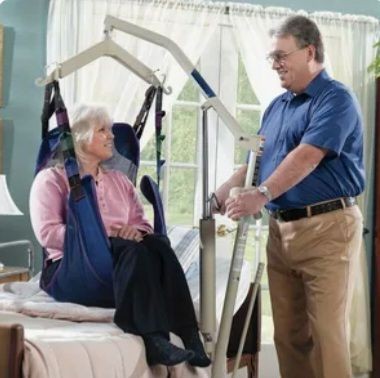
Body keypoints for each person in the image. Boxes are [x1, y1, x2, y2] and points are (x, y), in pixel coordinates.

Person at [214, 15, 364, 378]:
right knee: (288, 335)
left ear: (309, 51)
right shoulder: (277, 106)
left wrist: (262, 194)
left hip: (327, 229)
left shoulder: (335, 99)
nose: (275, 65)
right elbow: (257, 160)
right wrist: (215, 198)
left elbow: (307, 157)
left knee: (327, 334)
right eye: (272, 58)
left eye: (281, 56)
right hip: (282, 232)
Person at [29, 103, 211, 368]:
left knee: (157, 245)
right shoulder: (51, 180)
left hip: (120, 270)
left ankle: (189, 335)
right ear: (79, 137)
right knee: (131, 250)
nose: (112, 136)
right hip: (71, 271)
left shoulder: (120, 182)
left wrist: (134, 232)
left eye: (111, 130)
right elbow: (48, 234)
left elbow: (142, 225)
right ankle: (152, 338)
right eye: (103, 130)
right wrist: (103, 237)